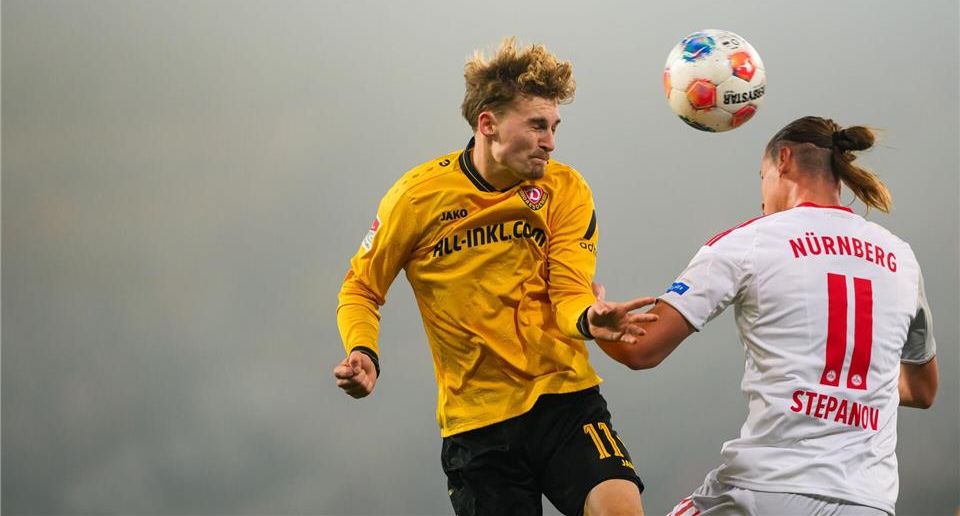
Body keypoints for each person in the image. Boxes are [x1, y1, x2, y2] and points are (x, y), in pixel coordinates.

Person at [333, 38, 655, 516]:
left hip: (565, 398)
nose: (551, 141)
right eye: (538, 125)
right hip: (477, 423)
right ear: (489, 124)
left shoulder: (565, 189)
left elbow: (568, 293)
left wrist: (589, 319)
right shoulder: (417, 197)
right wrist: (363, 350)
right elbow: (361, 287)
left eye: (554, 127)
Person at [596, 116, 938, 516]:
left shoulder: (751, 241)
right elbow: (922, 390)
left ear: (784, 160)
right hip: (870, 501)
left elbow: (641, 350)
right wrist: (849, 383)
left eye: (762, 177)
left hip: (767, 491)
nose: (762, 198)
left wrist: (592, 317)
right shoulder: (900, 256)